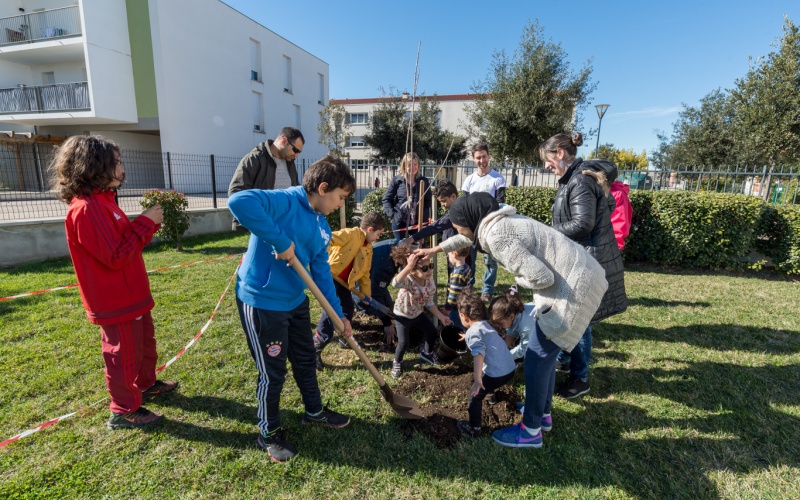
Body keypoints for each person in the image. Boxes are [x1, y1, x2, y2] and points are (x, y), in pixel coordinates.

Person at [412, 192, 608, 448]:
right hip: (582, 276)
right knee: (546, 357)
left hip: (570, 289)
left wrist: (519, 279)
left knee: (537, 360)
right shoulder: (497, 222)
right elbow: (467, 237)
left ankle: (530, 431)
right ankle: (542, 414)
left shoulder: (498, 235)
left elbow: (542, 277)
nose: (456, 230)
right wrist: (435, 248)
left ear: (468, 219)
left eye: (456, 224)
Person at [227, 155, 355, 463]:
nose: (341, 205)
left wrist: (338, 316)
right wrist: (280, 241)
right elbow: (239, 202)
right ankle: (268, 432)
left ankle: (314, 411)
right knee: (273, 372)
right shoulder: (284, 200)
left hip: (295, 301)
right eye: (340, 198)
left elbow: (322, 273)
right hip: (262, 301)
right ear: (323, 188)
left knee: (305, 358)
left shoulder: (322, 227)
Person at [52, 135, 178, 430]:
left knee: (144, 343)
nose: (122, 168)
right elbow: (115, 256)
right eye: (116, 163)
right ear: (95, 166)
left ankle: (146, 384)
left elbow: (124, 245)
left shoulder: (104, 202)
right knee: (122, 355)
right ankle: (124, 410)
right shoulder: (86, 208)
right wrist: (145, 222)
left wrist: (146, 223)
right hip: (115, 300)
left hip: (132, 295)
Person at [539, 133, 628, 399]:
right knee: (576, 316)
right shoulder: (575, 178)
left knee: (581, 319)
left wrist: (549, 232)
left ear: (560, 153)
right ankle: (569, 359)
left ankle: (581, 377)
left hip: (589, 260)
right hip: (582, 256)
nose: (546, 166)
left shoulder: (579, 181)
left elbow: (582, 223)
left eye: (547, 160)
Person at [314, 212, 386, 370]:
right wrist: (318, 251)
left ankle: (344, 337)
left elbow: (365, 274)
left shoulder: (369, 249)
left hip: (345, 283)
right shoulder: (351, 234)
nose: (378, 238)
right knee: (332, 311)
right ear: (369, 229)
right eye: (378, 234)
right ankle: (316, 346)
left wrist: (366, 295)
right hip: (330, 277)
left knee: (347, 308)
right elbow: (329, 238)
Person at [455, 291, 516, 439]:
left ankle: (474, 428)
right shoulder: (484, 325)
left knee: (475, 396)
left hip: (498, 373)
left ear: (464, 317)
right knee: (488, 379)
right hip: (510, 368)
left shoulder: (473, 333)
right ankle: (490, 394)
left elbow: (479, 354)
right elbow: (480, 336)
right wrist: (468, 335)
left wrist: (477, 380)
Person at [389, 244, 451, 378]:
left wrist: (441, 316)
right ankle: (397, 361)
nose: (429, 270)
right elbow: (395, 284)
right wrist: (408, 267)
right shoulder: (408, 280)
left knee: (432, 332)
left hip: (417, 313)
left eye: (430, 266)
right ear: (412, 270)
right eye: (424, 268)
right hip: (402, 316)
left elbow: (429, 303)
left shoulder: (430, 283)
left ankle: (427, 352)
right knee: (404, 342)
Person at [228, 127, 304, 231]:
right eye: (295, 150)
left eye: (299, 152)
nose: (297, 155)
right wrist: (257, 219)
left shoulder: (290, 163)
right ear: (284, 141)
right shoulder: (254, 158)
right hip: (260, 227)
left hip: (285, 226)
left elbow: (295, 191)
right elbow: (236, 193)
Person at [462, 143, 505, 304]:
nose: (482, 160)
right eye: (478, 157)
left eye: (484, 156)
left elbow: (500, 203)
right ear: (473, 159)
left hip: (490, 228)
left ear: (489, 156)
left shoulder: (498, 178)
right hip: (472, 228)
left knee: (490, 262)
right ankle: (469, 287)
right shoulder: (469, 180)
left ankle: (487, 290)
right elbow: (465, 205)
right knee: (469, 259)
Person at [400, 181, 462, 274]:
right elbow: (444, 226)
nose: (442, 205)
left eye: (444, 201)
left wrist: (412, 238)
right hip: (452, 249)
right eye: (440, 202)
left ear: (453, 196)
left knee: (457, 274)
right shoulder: (454, 209)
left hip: (458, 251)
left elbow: (435, 227)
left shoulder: (456, 211)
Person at [352, 238, 398, 347]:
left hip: (373, 276)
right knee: (369, 307)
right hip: (359, 282)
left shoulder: (398, 245)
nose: (378, 237)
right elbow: (375, 295)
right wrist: (387, 324)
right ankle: (353, 301)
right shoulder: (383, 266)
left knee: (388, 304)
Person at [382, 152, 432, 243]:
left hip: (418, 223)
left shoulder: (424, 181)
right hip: (400, 223)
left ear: (418, 165)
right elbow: (386, 199)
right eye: (409, 165)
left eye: (415, 164)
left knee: (419, 249)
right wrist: (393, 214)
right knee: (401, 250)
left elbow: (428, 201)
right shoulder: (397, 180)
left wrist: (425, 215)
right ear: (404, 166)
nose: (413, 167)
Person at [488, 287, 532, 361]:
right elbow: (512, 330)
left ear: (511, 316)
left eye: (500, 323)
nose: (498, 326)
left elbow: (525, 348)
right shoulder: (515, 314)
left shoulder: (525, 327)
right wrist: (503, 348)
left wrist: (505, 356)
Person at [444, 246, 472, 330]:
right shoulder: (466, 267)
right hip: (464, 303)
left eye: (448, 255)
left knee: (456, 327)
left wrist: (447, 308)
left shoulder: (457, 273)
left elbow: (453, 294)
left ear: (454, 254)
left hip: (456, 308)